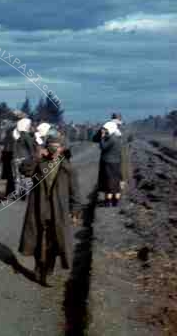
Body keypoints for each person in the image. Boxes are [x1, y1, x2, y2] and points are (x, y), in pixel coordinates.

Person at [18, 134, 83, 286]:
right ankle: (39, 266)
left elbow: (75, 192)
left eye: (57, 146)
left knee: (54, 241)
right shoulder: (38, 163)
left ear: (62, 149)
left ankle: (49, 270)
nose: (54, 149)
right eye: (51, 146)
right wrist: (36, 156)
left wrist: (75, 212)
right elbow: (24, 169)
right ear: (46, 148)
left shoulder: (68, 168)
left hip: (58, 211)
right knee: (38, 237)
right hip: (38, 208)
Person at [94, 121, 124, 207]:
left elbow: (103, 147)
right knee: (115, 181)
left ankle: (109, 202)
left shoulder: (112, 138)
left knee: (109, 182)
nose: (105, 131)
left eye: (106, 130)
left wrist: (102, 137)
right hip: (116, 162)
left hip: (109, 163)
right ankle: (115, 201)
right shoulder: (117, 137)